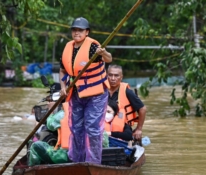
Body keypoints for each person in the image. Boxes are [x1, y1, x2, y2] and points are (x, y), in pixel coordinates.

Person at [59, 17, 112, 164]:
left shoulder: (93, 47)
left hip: (96, 95)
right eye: (74, 30)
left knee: (92, 129)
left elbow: (109, 59)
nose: (77, 33)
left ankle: (94, 163)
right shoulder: (68, 47)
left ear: (86, 32)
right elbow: (62, 70)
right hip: (76, 93)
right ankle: (77, 161)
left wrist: (103, 53)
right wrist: (63, 87)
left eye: (80, 30)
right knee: (76, 129)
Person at [107, 64, 147, 141]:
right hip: (103, 127)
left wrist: (139, 129)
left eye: (116, 76)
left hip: (123, 128)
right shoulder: (101, 91)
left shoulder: (127, 92)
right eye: (110, 75)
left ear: (121, 77)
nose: (113, 78)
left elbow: (143, 109)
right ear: (106, 75)